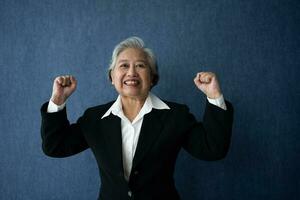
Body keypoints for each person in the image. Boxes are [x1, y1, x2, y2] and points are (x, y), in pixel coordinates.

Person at [40, 36, 233, 200]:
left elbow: (212, 149)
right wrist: (58, 101)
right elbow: (55, 146)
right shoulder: (94, 118)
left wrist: (215, 96)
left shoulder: (176, 116)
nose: (131, 72)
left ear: (153, 78)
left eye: (140, 65)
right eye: (123, 65)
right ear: (112, 77)